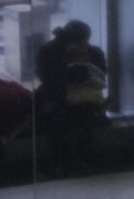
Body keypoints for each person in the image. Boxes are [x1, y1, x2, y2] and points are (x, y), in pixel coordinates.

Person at [35, 20, 109, 175]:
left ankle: (76, 160)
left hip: (81, 97)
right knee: (56, 114)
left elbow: (101, 77)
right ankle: (64, 160)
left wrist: (84, 62)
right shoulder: (49, 51)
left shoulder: (93, 52)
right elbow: (48, 79)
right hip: (57, 96)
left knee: (84, 113)